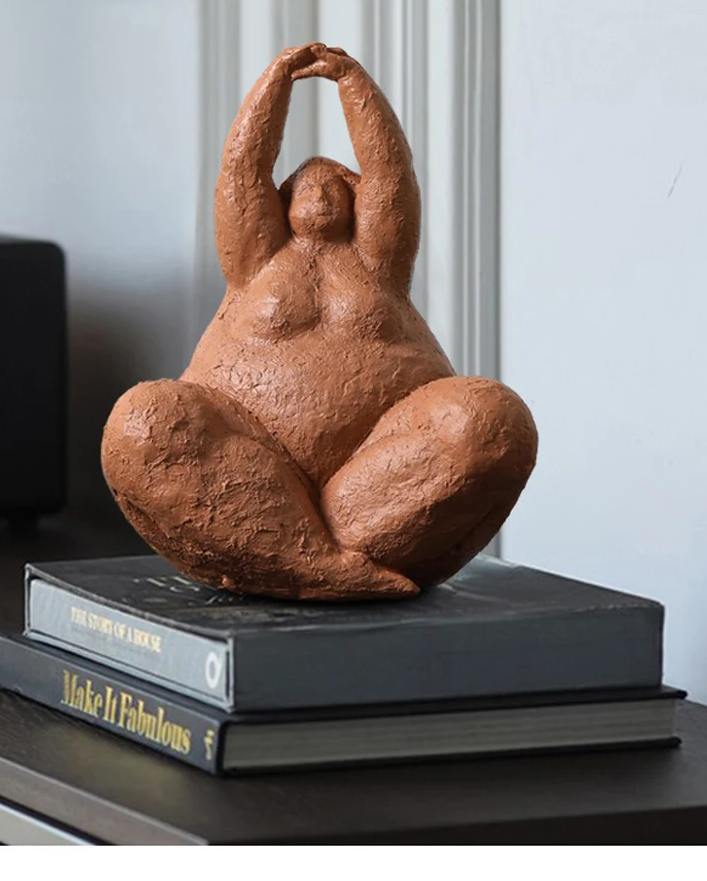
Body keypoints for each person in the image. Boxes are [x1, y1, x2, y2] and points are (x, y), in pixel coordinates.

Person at [102, 44, 537, 599]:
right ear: (279, 204)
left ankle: (329, 560)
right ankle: (311, 563)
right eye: (305, 184)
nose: (321, 184)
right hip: (251, 490)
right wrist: (276, 81)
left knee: (492, 418)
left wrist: (351, 81)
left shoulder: (377, 267)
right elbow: (243, 170)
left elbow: (389, 173)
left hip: (373, 494)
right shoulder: (256, 264)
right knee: (141, 421)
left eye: (338, 183)